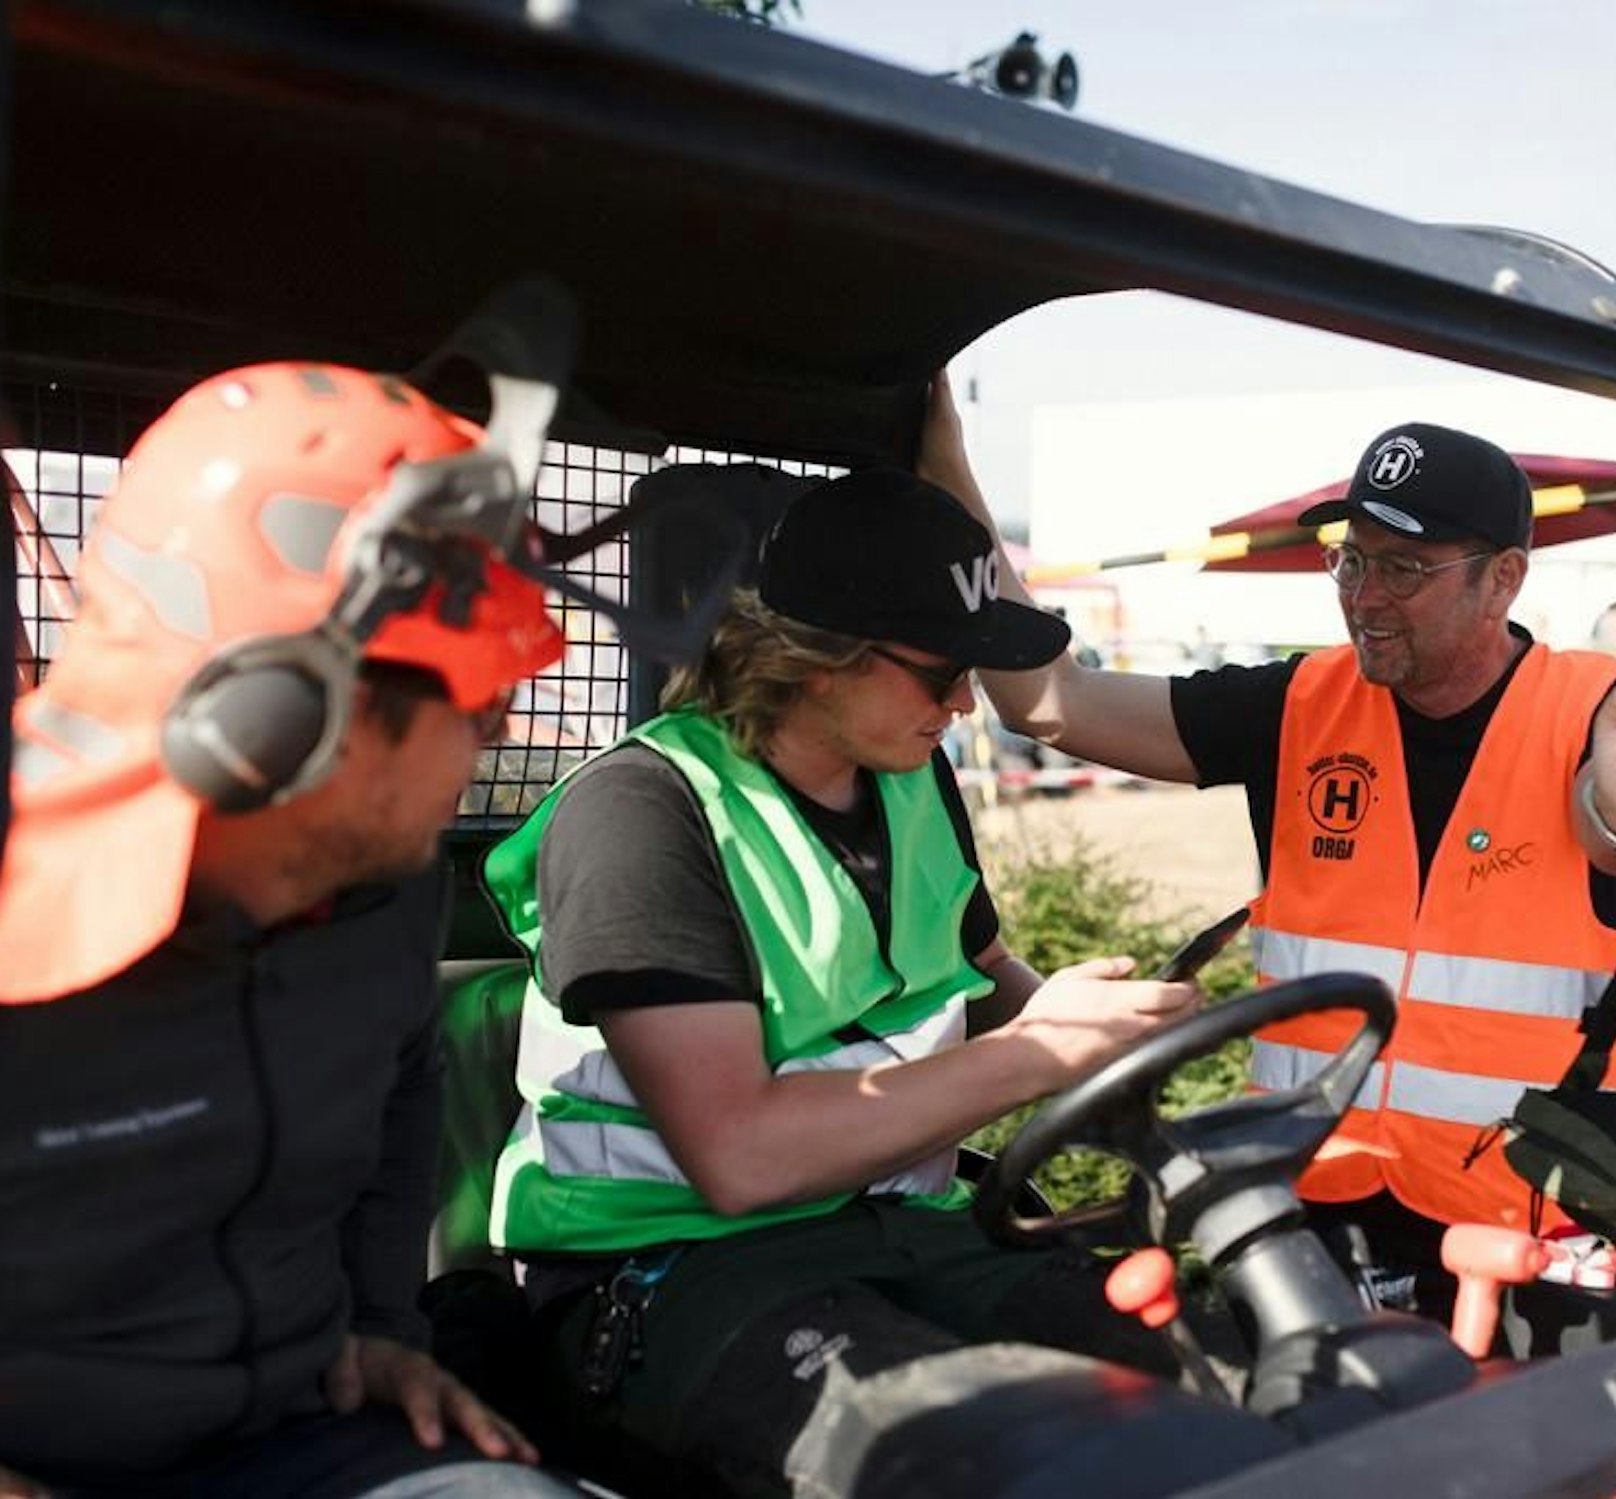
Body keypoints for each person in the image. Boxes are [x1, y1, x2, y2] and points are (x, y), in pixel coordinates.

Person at [922, 387, 1616, 1317]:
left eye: (1405, 569)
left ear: (1503, 578)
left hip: (1528, 1237)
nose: (1365, 599)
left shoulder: (1594, 715)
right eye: (1350, 562)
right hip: (1311, 1212)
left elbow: (1615, 835)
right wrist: (948, 472)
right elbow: (1051, 701)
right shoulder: (1301, 702)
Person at [480, 468, 1196, 1495]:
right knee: (971, 1460)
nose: (963, 702)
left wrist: (1107, 1031)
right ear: (815, 660)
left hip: (902, 1225)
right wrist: (1036, 1053)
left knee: (1191, 1377)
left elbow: (979, 972)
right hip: (669, 1264)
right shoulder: (642, 813)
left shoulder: (910, 775)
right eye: (942, 670)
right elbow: (739, 1157)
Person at [0, 363, 582, 1497]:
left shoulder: (382, 885)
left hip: (292, 1423)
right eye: (485, 707)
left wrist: (377, 1327)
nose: (487, 748)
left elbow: (401, 1081)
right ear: (299, 716)